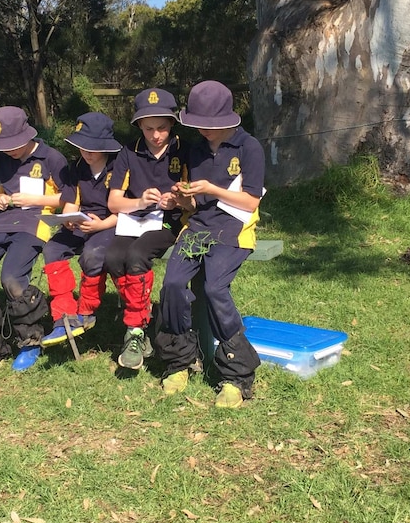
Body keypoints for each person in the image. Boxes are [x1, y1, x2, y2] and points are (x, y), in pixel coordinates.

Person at [154, 80, 264, 408]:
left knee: (216, 288)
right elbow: (194, 206)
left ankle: (236, 374)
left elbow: (251, 202)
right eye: (198, 126)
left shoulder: (249, 148)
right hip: (198, 228)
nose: (204, 132)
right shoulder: (196, 148)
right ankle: (180, 361)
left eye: (210, 126)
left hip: (234, 229)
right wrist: (178, 200)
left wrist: (213, 189)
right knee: (172, 283)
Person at [0, 106, 68, 374]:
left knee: (12, 280)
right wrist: (1, 199)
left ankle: (30, 340)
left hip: (35, 223)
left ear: (28, 134)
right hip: (0, 221)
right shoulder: (2, 159)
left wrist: (36, 200)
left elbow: (70, 198)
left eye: (14, 144)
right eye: (3, 146)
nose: (9, 151)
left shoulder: (52, 158)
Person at [105, 88, 188, 370]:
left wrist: (175, 199)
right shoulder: (129, 152)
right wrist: (139, 200)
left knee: (138, 253)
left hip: (168, 222)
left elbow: (193, 199)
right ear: (139, 125)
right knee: (113, 257)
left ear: (172, 124)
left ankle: (135, 330)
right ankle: (141, 314)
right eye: (149, 128)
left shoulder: (185, 150)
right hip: (133, 219)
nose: (155, 135)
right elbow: (114, 202)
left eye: (162, 128)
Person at [41, 112, 122, 346]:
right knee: (53, 249)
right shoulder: (76, 166)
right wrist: (68, 217)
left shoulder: (119, 166)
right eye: (81, 147)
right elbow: (71, 199)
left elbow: (125, 210)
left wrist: (102, 224)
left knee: (93, 255)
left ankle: (86, 310)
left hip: (110, 222)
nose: (86, 152)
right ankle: (63, 315)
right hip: (81, 221)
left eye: (92, 148)